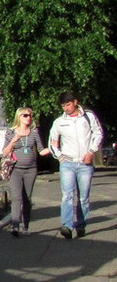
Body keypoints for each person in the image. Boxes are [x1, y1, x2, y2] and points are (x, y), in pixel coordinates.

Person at [48, 91, 103, 239]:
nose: (66, 108)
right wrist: (60, 157)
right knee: (67, 195)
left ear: (75, 102)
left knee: (83, 197)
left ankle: (81, 225)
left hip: (85, 163)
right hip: (68, 163)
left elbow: (98, 134)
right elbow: (53, 142)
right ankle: (66, 226)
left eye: (68, 104)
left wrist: (91, 152)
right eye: (63, 106)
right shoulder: (59, 122)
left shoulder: (88, 116)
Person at [2, 107, 50, 237]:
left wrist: (53, 148)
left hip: (31, 169)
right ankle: (15, 226)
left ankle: (26, 226)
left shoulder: (34, 132)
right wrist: (14, 140)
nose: (28, 118)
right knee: (17, 197)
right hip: (15, 169)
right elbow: (5, 152)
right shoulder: (11, 132)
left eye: (30, 115)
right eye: (25, 115)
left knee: (27, 198)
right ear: (19, 117)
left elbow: (41, 150)